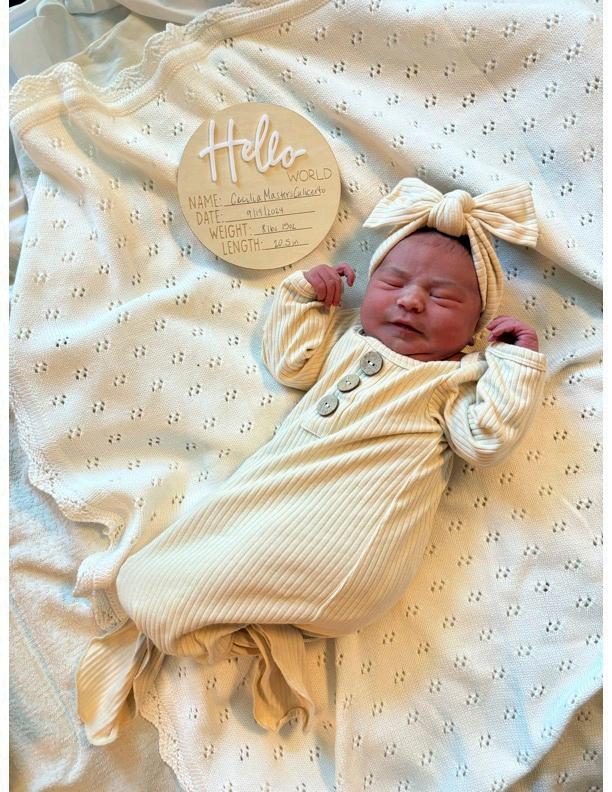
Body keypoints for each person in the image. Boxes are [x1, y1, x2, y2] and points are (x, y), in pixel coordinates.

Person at [76, 178, 547, 745]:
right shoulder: (348, 337)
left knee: (149, 583)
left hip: (360, 542)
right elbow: (291, 363)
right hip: (288, 508)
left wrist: (514, 366)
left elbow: (487, 441)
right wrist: (305, 298)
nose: (411, 301)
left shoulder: (455, 378)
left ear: (475, 329)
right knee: (177, 560)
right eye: (393, 282)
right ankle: (256, 631)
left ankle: (190, 616)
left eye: (442, 298)